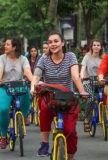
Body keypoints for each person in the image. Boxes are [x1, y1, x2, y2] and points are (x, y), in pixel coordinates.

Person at [30, 31, 87, 159]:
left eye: (56, 41)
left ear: (62, 43)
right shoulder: (44, 58)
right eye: (50, 42)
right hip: (50, 97)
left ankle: (70, 155)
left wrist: (82, 91)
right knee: (44, 109)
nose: (53, 44)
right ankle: (44, 143)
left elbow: (75, 76)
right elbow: (36, 76)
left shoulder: (70, 56)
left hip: (68, 98)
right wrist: (33, 88)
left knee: (70, 131)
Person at [0, 38, 33, 149]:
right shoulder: (1, 58)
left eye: (7, 44)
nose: (4, 46)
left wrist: (33, 81)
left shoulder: (23, 59)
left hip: (19, 86)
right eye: (5, 44)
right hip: (4, 87)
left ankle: (24, 116)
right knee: (4, 109)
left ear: (14, 47)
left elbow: (27, 72)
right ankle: (3, 136)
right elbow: (0, 70)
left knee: (27, 93)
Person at [80, 39, 103, 132]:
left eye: (98, 45)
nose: (96, 47)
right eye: (94, 45)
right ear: (92, 47)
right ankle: (86, 119)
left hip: (100, 81)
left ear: (101, 47)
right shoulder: (87, 56)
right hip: (88, 81)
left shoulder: (103, 57)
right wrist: (82, 76)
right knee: (91, 98)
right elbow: (82, 68)